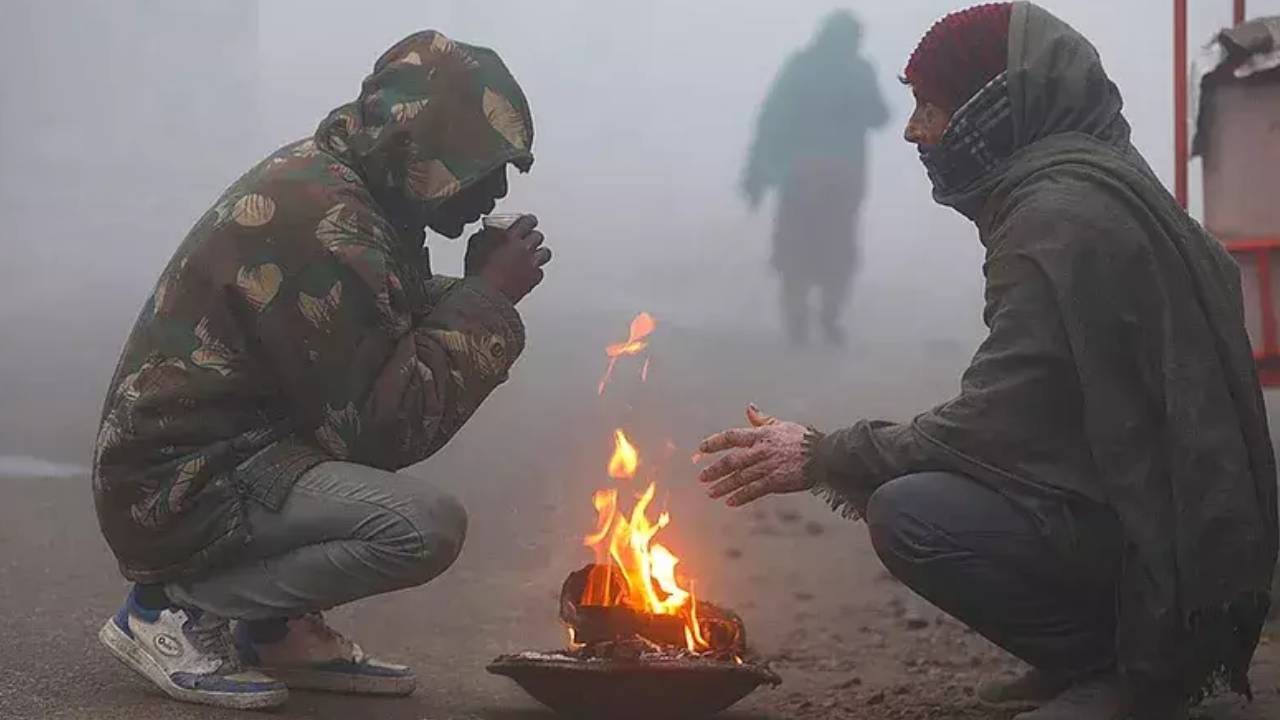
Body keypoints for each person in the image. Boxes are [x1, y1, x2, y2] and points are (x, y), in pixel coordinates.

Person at [696, 4, 1277, 719]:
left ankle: (1127, 673)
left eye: (930, 107)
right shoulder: (1096, 181)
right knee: (820, 261)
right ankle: (1097, 653)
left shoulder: (1052, 220)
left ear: (991, 109)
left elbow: (996, 423)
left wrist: (823, 454)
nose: (913, 130)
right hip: (1171, 517)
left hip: (1160, 543)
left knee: (909, 512)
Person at [93, 31, 550, 710]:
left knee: (390, 493)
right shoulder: (330, 222)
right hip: (184, 487)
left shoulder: (352, 191)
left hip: (228, 456)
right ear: (427, 152)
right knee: (422, 528)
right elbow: (385, 428)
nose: (501, 188)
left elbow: (379, 326)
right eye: (486, 164)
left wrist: (477, 293)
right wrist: (486, 296)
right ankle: (175, 609)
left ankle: (274, 629)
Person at [741, 10, 888, 347]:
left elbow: (772, 118)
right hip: (842, 178)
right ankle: (828, 317)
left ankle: (798, 326)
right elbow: (880, 116)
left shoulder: (801, 67)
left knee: (795, 249)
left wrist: (757, 172)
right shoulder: (858, 70)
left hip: (800, 176)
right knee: (837, 249)